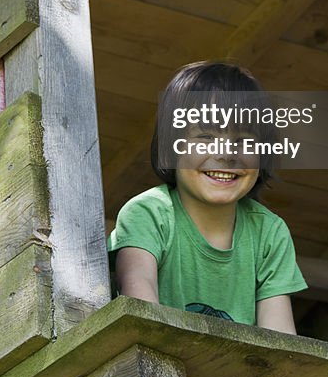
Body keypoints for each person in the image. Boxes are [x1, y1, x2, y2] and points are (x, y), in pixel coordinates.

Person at [108, 61, 307, 333]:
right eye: (206, 137)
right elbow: (141, 313)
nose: (226, 154)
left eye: (243, 141)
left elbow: (282, 342)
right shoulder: (148, 213)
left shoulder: (270, 233)